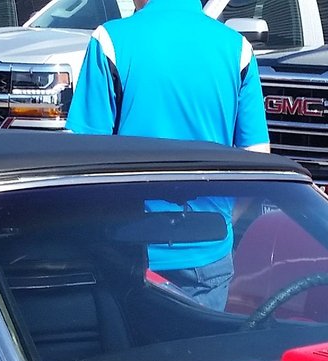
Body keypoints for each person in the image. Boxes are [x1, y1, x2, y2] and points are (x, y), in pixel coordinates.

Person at [66, 0, 270, 309]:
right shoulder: (237, 48)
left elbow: (81, 157)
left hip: (127, 249)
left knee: (130, 355)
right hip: (209, 249)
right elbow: (258, 161)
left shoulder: (110, 40)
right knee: (204, 354)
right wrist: (225, 218)